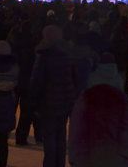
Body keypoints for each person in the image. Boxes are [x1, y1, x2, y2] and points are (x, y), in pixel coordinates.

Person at [30, 23, 77, 167]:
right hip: (64, 102)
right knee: (61, 137)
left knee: (50, 139)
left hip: (48, 103)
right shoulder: (68, 55)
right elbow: (74, 78)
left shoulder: (44, 57)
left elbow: (36, 82)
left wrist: (33, 104)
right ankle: (59, 163)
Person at [69, 82, 128, 167]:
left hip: (85, 159)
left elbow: (75, 136)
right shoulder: (125, 102)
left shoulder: (83, 102)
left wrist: (76, 160)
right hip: (122, 158)